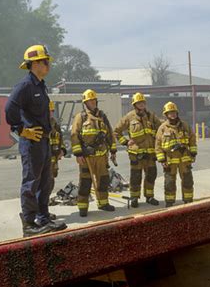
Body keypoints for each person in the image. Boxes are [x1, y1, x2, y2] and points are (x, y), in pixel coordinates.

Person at [5, 45, 67, 237]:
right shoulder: (25, 86)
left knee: (45, 181)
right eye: (44, 61)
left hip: (44, 141)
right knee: (31, 182)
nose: (48, 64)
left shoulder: (40, 85)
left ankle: (43, 217)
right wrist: (22, 130)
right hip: (31, 143)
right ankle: (29, 223)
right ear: (34, 64)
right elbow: (9, 110)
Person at [71, 89, 117, 217]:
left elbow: (110, 134)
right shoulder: (81, 117)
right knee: (85, 182)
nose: (92, 102)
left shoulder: (102, 116)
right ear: (85, 103)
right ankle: (83, 207)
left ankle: (103, 203)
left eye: (93, 100)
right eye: (89, 101)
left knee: (103, 180)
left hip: (102, 156)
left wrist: (113, 150)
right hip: (87, 157)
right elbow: (74, 135)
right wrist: (78, 154)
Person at [114, 92, 161, 207]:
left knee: (151, 175)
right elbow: (116, 131)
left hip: (150, 153)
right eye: (139, 103)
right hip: (136, 154)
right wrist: (125, 142)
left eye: (143, 102)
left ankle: (149, 197)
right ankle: (134, 198)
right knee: (136, 177)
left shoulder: (151, 116)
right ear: (134, 105)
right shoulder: (129, 117)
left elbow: (161, 129)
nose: (141, 104)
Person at [155, 102, 197, 207]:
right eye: (169, 113)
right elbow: (158, 146)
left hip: (184, 159)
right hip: (170, 161)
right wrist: (162, 160)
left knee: (187, 180)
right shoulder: (162, 128)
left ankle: (188, 199)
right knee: (169, 183)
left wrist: (193, 153)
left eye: (173, 112)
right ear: (166, 115)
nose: (172, 114)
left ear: (177, 113)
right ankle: (169, 201)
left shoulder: (185, 126)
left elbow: (192, 140)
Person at [49, 100, 66, 191]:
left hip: (54, 158)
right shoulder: (41, 125)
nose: (50, 113)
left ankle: (45, 200)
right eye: (48, 111)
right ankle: (41, 201)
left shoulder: (56, 125)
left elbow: (61, 139)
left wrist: (62, 150)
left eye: (52, 111)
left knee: (51, 180)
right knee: (43, 181)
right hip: (45, 159)